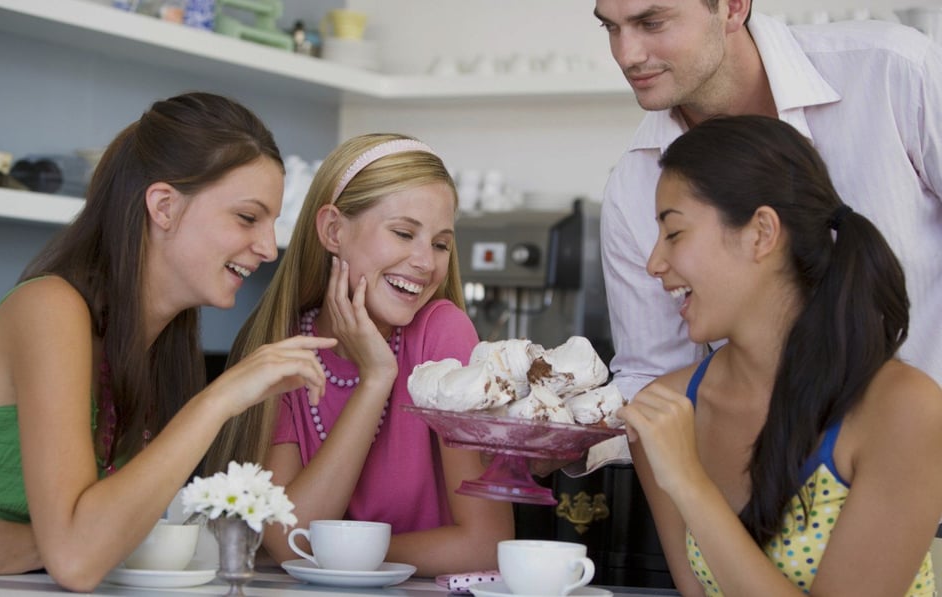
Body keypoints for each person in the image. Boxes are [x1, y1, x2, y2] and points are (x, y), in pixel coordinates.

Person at [0, 92, 335, 594]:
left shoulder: (162, 340)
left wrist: (34, 543)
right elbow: (76, 558)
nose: (268, 248)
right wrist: (220, 397)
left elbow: (99, 528)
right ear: (162, 206)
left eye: (272, 225)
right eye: (248, 218)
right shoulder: (51, 309)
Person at [587, 0, 942, 471]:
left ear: (733, 7)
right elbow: (657, 379)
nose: (627, 55)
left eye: (651, 23)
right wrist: (562, 432)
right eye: (611, 28)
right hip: (775, 500)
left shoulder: (893, 73)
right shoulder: (633, 184)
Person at [619, 114, 942, 595]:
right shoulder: (668, 408)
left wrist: (689, 482)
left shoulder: (903, 408)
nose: (653, 263)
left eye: (675, 233)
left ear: (761, 233)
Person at [204, 133, 515, 577]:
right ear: (333, 230)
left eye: (441, 243)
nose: (426, 262)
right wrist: (374, 380)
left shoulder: (441, 335)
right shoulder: (286, 348)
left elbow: (485, 545)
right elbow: (288, 539)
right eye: (404, 233)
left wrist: (346, 558)